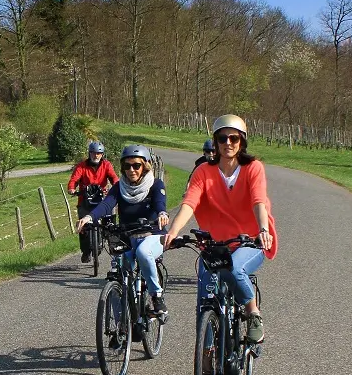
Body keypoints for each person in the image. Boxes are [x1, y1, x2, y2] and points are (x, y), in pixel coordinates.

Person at [164, 114, 277, 343]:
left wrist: (263, 230)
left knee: (234, 269)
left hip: (250, 241)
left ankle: (253, 312)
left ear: (242, 141)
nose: (228, 143)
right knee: (205, 298)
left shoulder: (253, 168)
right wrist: (173, 232)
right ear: (215, 142)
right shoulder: (203, 171)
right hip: (215, 245)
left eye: (233, 138)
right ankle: (206, 355)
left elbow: (258, 201)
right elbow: (190, 202)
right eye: (222, 138)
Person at [77, 145, 170, 314]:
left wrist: (162, 213)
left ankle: (156, 296)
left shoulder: (156, 184)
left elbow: (159, 204)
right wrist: (89, 217)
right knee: (116, 272)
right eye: (127, 166)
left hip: (152, 235)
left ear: (145, 166)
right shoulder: (120, 187)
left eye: (136, 165)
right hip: (127, 237)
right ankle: (119, 332)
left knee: (143, 252)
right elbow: (106, 204)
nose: (131, 170)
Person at [68, 142, 118, 263]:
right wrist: (72, 188)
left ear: (102, 154)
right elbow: (74, 180)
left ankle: (114, 247)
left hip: (102, 199)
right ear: (89, 153)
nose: (96, 155)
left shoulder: (106, 165)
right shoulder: (81, 166)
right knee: (83, 226)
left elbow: (114, 177)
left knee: (111, 223)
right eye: (94, 153)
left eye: (99, 153)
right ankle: (86, 251)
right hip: (85, 199)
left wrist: (117, 186)